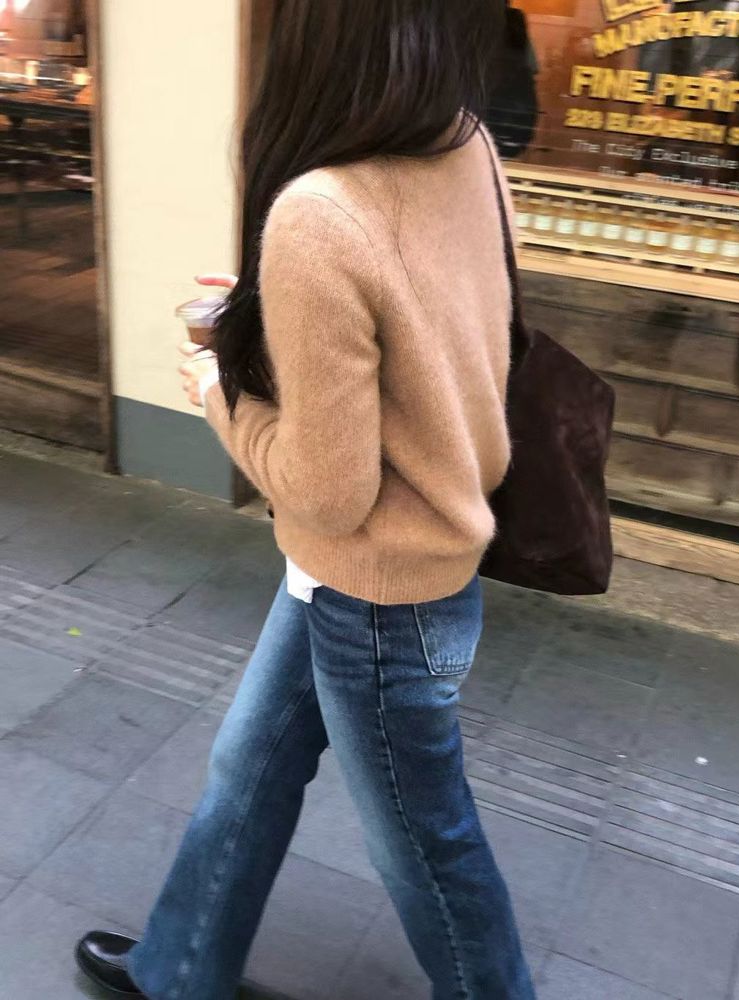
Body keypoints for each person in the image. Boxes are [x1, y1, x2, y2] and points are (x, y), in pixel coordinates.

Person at [75, 1, 537, 997]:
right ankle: (178, 970)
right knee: (249, 769)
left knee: (429, 849)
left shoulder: (320, 212)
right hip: (376, 572)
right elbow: (437, 324)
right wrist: (275, 308)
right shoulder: (467, 143)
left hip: (376, 592)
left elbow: (329, 493)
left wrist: (218, 393)